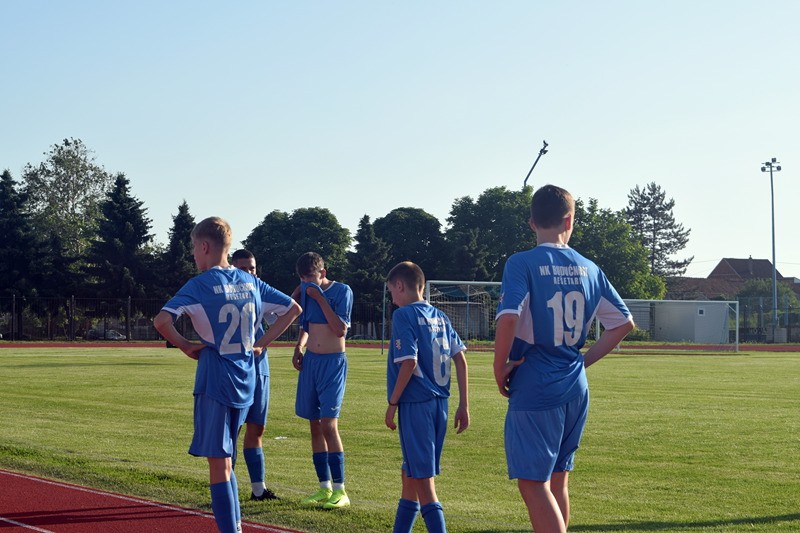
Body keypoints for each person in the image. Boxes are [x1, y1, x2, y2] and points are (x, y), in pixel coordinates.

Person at [493, 184, 635, 533]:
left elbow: (509, 316)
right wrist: (582, 362)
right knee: (558, 480)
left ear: (532, 222)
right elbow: (623, 324)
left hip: (536, 381)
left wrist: (499, 368)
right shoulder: (590, 268)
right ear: (569, 220)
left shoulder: (521, 262)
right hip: (575, 384)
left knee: (533, 484)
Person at [154, 217, 301, 533]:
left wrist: (185, 345)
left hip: (216, 378)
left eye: (194, 247)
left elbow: (161, 321)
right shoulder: (251, 281)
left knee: (219, 464)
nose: (193, 254)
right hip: (246, 377)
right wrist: (261, 343)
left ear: (205, 246)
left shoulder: (200, 284)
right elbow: (293, 309)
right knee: (227, 457)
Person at [385, 261, 470, 533]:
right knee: (410, 474)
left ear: (400, 285)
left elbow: (409, 362)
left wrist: (392, 403)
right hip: (440, 406)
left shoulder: (403, 315)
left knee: (424, 482)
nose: (392, 299)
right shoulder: (441, 316)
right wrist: (464, 405)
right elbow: (461, 360)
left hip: (416, 404)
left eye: (391, 291)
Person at [291, 252, 353, 509]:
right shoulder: (306, 292)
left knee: (329, 424)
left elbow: (340, 329)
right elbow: (306, 325)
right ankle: (324, 487)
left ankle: (341, 491)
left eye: (310, 278)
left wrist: (319, 297)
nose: (307, 283)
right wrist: (299, 347)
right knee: (314, 425)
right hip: (312, 362)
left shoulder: (342, 291)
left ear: (323, 273)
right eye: (303, 279)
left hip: (332, 363)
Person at [230, 249, 279, 501]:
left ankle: (258, 489)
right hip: (235, 368)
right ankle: (226, 486)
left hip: (259, 367)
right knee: (232, 430)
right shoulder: (225, 293)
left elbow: (284, 315)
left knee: (257, 426)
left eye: (253, 268)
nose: (249, 273)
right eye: (244, 268)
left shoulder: (261, 291)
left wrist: (262, 343)